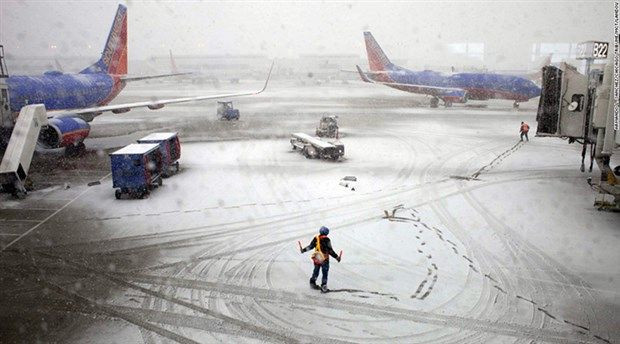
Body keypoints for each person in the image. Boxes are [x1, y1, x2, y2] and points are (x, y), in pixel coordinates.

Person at [300, 226, 340, 292]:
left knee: (316, 271)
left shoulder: (316, 238)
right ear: (327, 233)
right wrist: (337, 257)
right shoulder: (327, 239)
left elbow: (310, 246)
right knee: (324, 272)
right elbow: (330, 250)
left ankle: (312, 283)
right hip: (324, 258)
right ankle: (324, 286)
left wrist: (303, 250)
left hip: (317, 257)